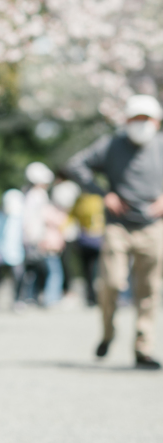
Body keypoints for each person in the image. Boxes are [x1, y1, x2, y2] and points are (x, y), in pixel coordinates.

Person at [66, 95, 163, 369]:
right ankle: (108, 333)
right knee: (110, 282)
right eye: (136, 119)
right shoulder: (111, 145)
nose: (141, 124)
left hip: (153, 226)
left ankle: (143, 348)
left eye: (146, 119)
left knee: (149, 289)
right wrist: (102, 193)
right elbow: (76, 165)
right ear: (126, 121)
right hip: (118, 225)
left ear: (156, 122)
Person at [20, 162, 57, 304]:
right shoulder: (39, 195)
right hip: (35, 237)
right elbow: (37, 219)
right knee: (34, 269)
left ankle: (29, 296)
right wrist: (40, 237)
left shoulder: (30, 194)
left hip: (30, 236)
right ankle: (31, 296)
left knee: (31, 268)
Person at [71, 190, 105, 306]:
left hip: (86, 239)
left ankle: (91, 296)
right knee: (95, 270)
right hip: (94, 239)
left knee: (89, 270)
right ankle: (93, 296)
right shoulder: (99, 198)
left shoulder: (80, 199)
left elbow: (72, 216)